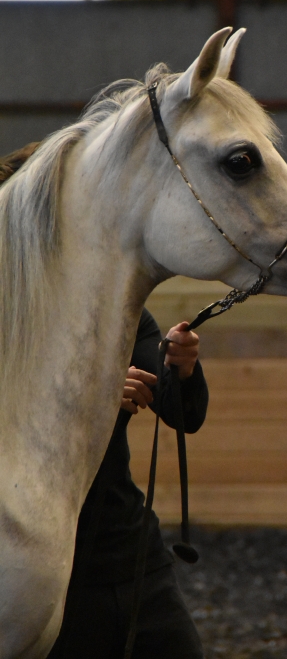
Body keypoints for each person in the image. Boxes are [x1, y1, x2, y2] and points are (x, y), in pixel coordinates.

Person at [1, 144, 207, 658]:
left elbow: (186, 413)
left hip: (129, 549)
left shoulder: (119, 314)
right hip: (44, 562)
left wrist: (181, 366)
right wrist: (97, 394)